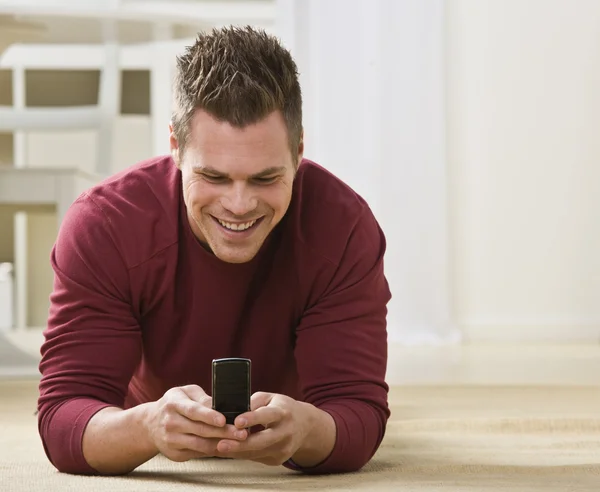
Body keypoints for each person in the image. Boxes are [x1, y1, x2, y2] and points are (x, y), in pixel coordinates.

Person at [37, 25, 392, 477]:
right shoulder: (105, 226)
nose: (239, 205)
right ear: (175, 149)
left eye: (266, 178)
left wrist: (305, 432)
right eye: (215, 177)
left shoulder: (343, 228)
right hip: (144, 417)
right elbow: (62, 416)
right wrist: (147, 427)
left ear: (298, 153)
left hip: (298, 414)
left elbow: (357, 411)